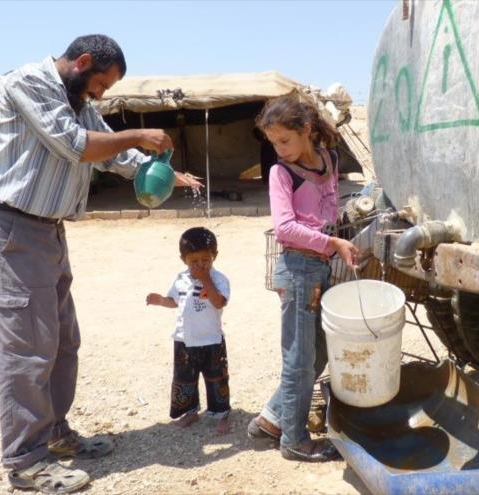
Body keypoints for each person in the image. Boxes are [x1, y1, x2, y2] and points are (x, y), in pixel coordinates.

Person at [0, 34, 202, 494]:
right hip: (14, 228)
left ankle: (54, 433)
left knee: (61, 342)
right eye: (100, 84)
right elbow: (75, 145)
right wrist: (139, 133)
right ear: (81, 63)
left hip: (48, 229)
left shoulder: (78, 98)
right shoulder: (28, 82)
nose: (100, 95)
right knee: (28, 349)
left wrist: (156, 168)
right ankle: (25, 459)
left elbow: (110, 150)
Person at [247, 91, 359, 462]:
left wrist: (342, 237)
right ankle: (294, 440)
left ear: (307, 130)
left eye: (285, 140)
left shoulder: (330, 159)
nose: (279, 149)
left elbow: (332, 207)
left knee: (322, 349)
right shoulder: (281, 173)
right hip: (297, 269)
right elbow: (284, 229)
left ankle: (274, 417)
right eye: (273, 142)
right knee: (298, 358)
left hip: (323, 266)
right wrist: (331, 242)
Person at [146, 227, 232, 435]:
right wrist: (160, 301)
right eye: (194, 261)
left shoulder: (219, 279)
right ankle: (189, 411)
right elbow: (175, 301)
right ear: (183, 259)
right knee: (185, 379)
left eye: (206, 260)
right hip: (184, 340)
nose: (200, 265)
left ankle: (221, 414)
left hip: (211, 339)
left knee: (216, 379)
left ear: (215, 257)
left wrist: (205, 279)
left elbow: (219, 302)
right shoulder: (180, 279)